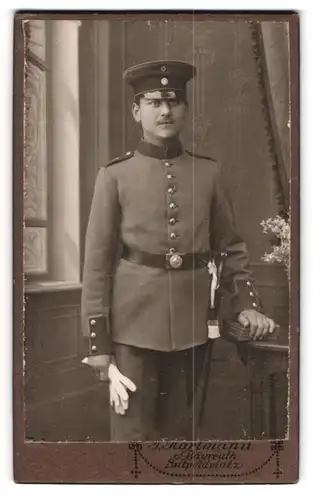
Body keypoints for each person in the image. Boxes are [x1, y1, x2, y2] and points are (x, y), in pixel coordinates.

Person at [81, 60, 275, 441]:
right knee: (132, 439)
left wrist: (247, 304)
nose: (165, 111)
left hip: (192, 329)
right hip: (131, 329)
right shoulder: (115, 176)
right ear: (137, 112)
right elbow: (96, 265)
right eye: (154, 102)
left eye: (173, 101)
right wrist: (97, 345)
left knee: (181, 437)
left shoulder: (208, 173)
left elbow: (230, 247)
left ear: (185, 109)